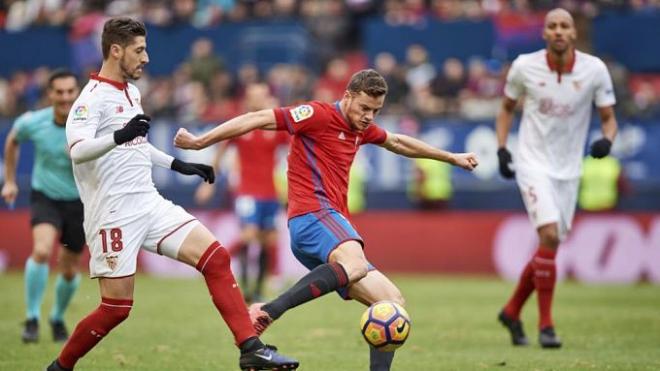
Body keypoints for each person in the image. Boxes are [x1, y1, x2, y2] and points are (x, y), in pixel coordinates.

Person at [175, 68, 478, 370]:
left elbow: (398, 142)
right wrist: (202, 142)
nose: (369, 116)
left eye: (376, 110)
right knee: (356, 264)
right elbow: (257, 118)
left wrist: (450, 157)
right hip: (313, 214)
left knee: (391, 303)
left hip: (324, 227)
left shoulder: (362, 129)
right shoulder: (316, 114)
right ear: (347, 96)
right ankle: (267, 310)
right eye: (364, 108)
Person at [46, 17, 298, 371]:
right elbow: (78, 150)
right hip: (113, 213)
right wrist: (119, 136)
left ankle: (250, 349)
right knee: (116, 309)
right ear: (115, 51)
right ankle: (59, 367)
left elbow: (135, 144)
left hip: (149, 203)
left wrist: (181, 165)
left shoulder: (131, 92)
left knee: (216, 258)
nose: (146, 58)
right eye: (139, 50)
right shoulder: (90, 100)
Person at [495, 8, 618, 349]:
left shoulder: (595, 70)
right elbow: (506, 108)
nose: (559, 31)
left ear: (574, 32)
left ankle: (511, 309)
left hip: (570, 170)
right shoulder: (524, 66)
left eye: (565, 26)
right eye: (553, 26)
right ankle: (546, 325)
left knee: (549, 246)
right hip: (533, 161)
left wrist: (607, 139)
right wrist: (503, 149)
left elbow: (609, 118)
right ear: (544, 33)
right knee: (549, 235)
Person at [2, 70, 83, 344]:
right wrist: (10, 181)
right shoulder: (33, 122)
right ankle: (32, 317)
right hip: (45, 196)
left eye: (70, 91)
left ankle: (57, 317)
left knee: (69, 269)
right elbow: (13, 140)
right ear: (50, 94)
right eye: (59, 92)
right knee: (41, 250)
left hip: (80, 203)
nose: (65, 97)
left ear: (77, 93)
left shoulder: (88, 125)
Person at [195, 82, 289, 303]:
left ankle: (257, 289)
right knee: (249, 234)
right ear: (248, 99)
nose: (259, 99)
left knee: (268, 239)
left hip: (270, 192)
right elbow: (220, 151)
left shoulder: (274, 126)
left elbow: (293, 147)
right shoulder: (240, 124)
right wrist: (208, 183)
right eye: (255, 96)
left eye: (263, 95)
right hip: (246, 191)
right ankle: (244, 286)